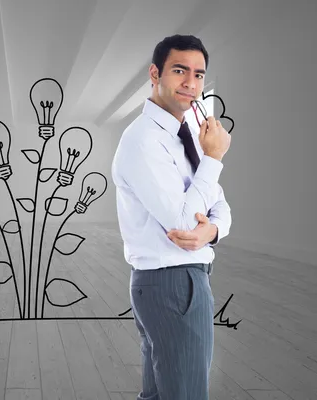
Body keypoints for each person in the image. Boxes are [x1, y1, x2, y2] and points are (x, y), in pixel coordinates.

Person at [111, 34, 232, 399]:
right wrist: (214, 158)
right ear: (155, 73)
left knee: (160, 395)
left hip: (177, 282)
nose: (190, 83)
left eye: (198, 74)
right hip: (173, 284)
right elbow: (181, 224)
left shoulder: (193, 135)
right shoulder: (143, 141)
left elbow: (221, 206)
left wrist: (211, 231)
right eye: (180, 70)